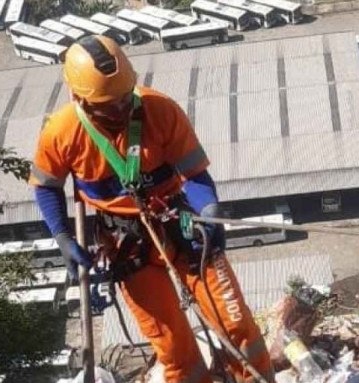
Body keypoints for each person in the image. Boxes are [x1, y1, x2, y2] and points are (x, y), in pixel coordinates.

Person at [28, 35, 274, 383]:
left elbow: (196, 175)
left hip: (182, 224)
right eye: (108, 104)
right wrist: (62, 236)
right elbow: (47, 186)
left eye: (125, 98)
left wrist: (209, 214)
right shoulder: (62, 132)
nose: (121, 109)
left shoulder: (160, 110)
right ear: (79, 97)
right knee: (174, 351)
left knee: (236, 325)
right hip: (128, 245)